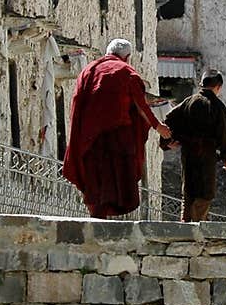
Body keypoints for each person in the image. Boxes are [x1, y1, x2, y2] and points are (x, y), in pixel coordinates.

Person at [62, 39, 171, 218]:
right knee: (115, 182)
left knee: (95, 182)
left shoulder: (88, 71)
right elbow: (141, 105)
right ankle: (104, 224)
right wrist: (158, 126)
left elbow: (77, 105)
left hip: (90, 139)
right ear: (126, 57)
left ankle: (96, 220)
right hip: (117, 140)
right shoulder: (126, 72)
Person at [163, 70, 226, 222]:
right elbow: (224, 134)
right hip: (207, 156)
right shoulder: (218, 107)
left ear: (202, 85)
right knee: (205, 193)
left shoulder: (189, 102)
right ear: (218, 87)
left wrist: (169, 142)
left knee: (189, 191)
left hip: (188, 154)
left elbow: (169, 120)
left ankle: (186, 224)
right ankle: (195, 228)